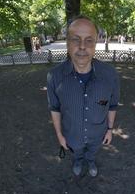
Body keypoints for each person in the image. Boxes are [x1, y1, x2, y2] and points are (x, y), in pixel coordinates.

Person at [47, 16, 120, 177]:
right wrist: (60, 136)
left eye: (89, 40)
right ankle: (78, 160)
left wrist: (109, 130)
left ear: (95, 44)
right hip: (72, 135)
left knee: (92, 151)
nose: (82, 46)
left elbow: (112, 105)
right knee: (76, 152)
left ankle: (91, 160)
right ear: (67, 43)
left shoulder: (110, 75)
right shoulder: (54, 76)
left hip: (98, 135)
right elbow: (55, 108)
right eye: (75, 39)